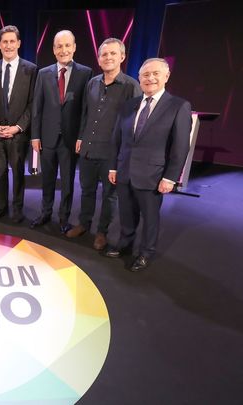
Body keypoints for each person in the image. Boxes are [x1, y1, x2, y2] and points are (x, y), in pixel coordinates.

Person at [105, 58, 191, 271]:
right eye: (145, 75)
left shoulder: (179, 106)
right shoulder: (129, 105)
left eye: (155, 74)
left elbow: (180, 147)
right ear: (139, 78)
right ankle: (125, 244)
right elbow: (117, 138)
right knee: (126, 213)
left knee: (150, 218)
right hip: (125, 172)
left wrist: (170, 178)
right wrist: (113, 167)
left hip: (153, 176)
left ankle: (146, 253)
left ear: (166, 76)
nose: (150, 78)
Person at [66, 38, 142, 250]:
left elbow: (132, 126)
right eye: (104, 54)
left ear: (122, 57)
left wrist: (122, 157)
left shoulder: (131, 87)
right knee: (87, 190)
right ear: (99, 59)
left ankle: (102, 232)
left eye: (112, 54)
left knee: (109, 196)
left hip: (112, 153)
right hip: (89, 149)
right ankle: (84, 223)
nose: (108, 57)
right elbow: (85, 114)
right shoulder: (93, 83)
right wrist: (81, 137)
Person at [30, 30, 92, 233]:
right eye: (59, 46)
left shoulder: (86, 73)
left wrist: (82, 136)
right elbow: (37, 107)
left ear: (74, 47)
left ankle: (64, 217)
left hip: (70, 139)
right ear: (54, 49)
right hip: (47, 138)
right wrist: (35, 136)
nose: (63, 49)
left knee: (67, 182)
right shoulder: (43, 73)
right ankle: (45, 212)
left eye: (67, 45)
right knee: (47, 179)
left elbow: (85, 110)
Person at [0, 25, 37, 223]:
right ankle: (1, 208)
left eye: (12, 41)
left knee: (18, 174)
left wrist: (17, 127)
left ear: (19, 43)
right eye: (4, 41)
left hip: (18, 134)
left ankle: (18, 210)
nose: (8, 45)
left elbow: (33, 103)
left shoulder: (31, 70)